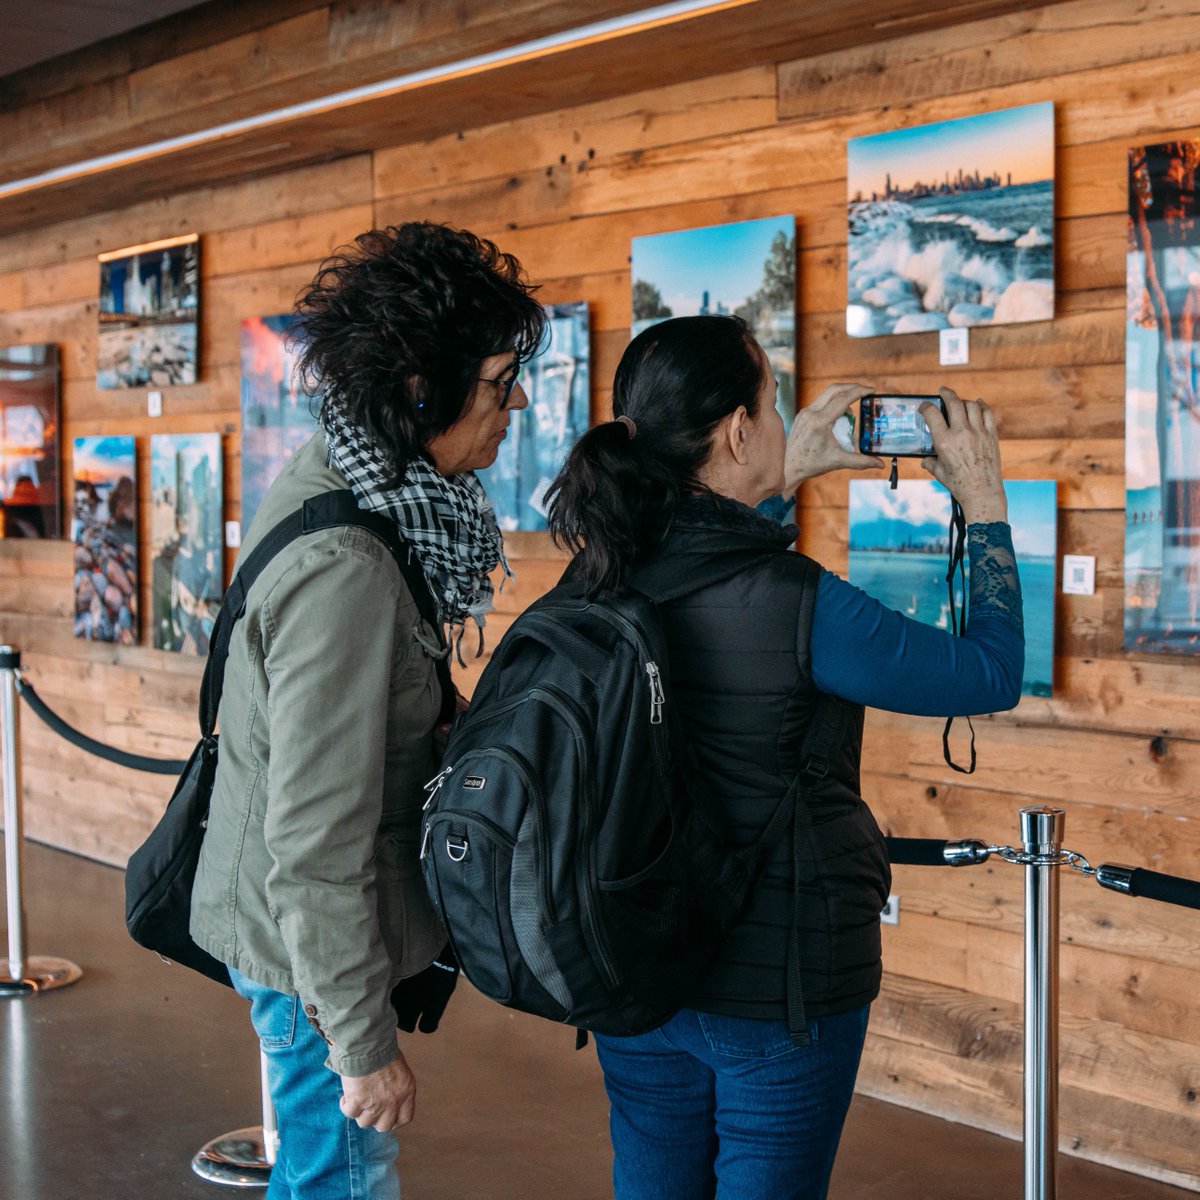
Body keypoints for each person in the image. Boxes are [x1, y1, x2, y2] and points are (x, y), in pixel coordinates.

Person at [545, 314, 1022, 1200]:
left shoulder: (595, 571)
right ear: (734, 430)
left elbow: (700, 559)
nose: (779, 424)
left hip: (634, 968)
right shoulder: (799, 602)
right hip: (776, 987)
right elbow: (989, 673)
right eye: (771, 408)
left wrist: (780, 476)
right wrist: (986, 505)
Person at [191, 222, 545, 1199]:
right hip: (312, 959)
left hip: (307, 933)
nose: (512, 407)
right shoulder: (347, 567)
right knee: (339, 1179)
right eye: (498, 381)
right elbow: (313, 838)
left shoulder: (365, 478)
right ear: (422, 388)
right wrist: (358, 1044)